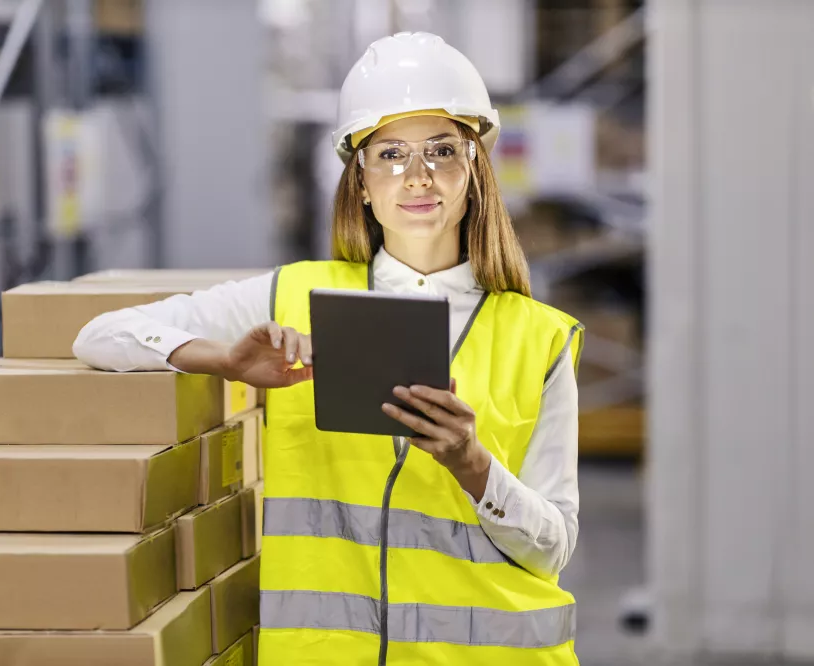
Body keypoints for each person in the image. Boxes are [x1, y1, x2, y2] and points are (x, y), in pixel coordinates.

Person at [75, 31, 582, 666]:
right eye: (390, 154)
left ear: (474, 172)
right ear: (361, 182)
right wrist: (224, 361)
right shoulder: (293, 296)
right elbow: (99, 336)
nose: (418, 175)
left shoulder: (539, 337)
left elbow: (554, 546)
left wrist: (474, 466)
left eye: (442, 151)